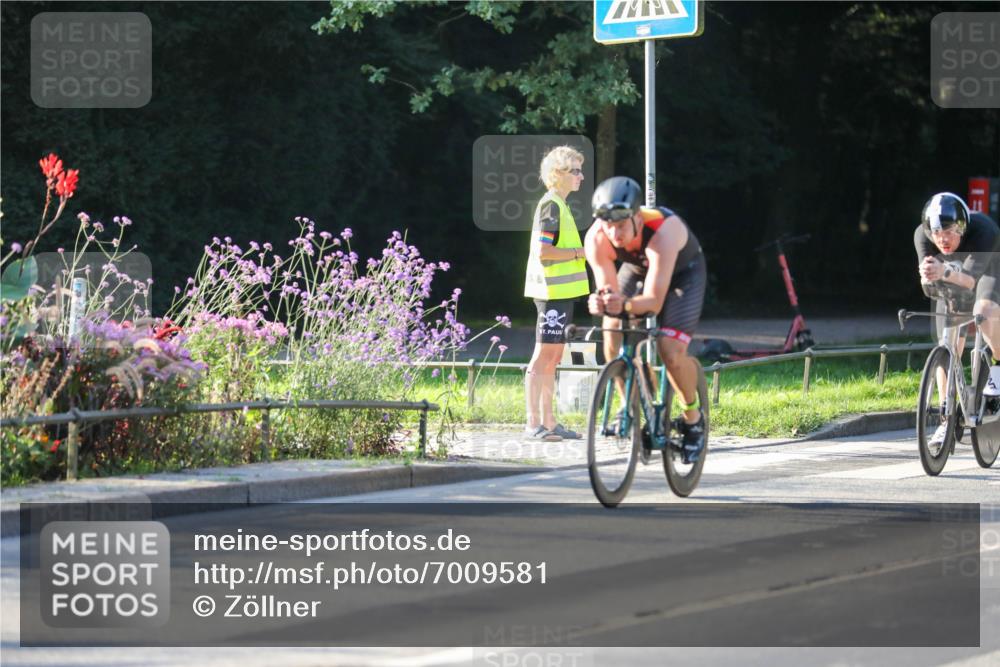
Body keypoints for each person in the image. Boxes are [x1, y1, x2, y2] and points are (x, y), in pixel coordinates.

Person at [584, 176, 707, 461]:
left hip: (682, 274)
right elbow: (609, 290)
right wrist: (603, 301)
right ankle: (630, 405)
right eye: (608, 225)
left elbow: (653, 301)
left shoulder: (664, 231)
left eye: (622, 225)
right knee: (612, 328)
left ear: (638, 217)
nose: (615, 233)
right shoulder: (596, 238)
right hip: (637, 270)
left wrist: (624, 304)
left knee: (670, 351)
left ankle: (693, 418)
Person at [914, 192, 1000, 447]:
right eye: (937, 233)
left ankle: (998, 363)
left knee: (983, 311)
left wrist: (944, 271)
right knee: (947, 344)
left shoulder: (984, 231)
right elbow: (927, 283)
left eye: (950, 231)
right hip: (950, 275)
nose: (943, 239)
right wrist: (927, 276)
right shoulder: (922, 235)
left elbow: (971, 281)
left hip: (989, 270)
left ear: (961, 226)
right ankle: (946, 417)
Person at [523, 146, 589, 441]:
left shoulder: (559, 205)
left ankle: (550, 423)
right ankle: (533, 423)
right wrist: (579, 252)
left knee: (554, 357)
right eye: (575, 171)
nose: (581, 177)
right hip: (551, 294)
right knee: (543, 356)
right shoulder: (551, 205)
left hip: (562, 295)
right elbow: (544, 251)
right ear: (558, 174)